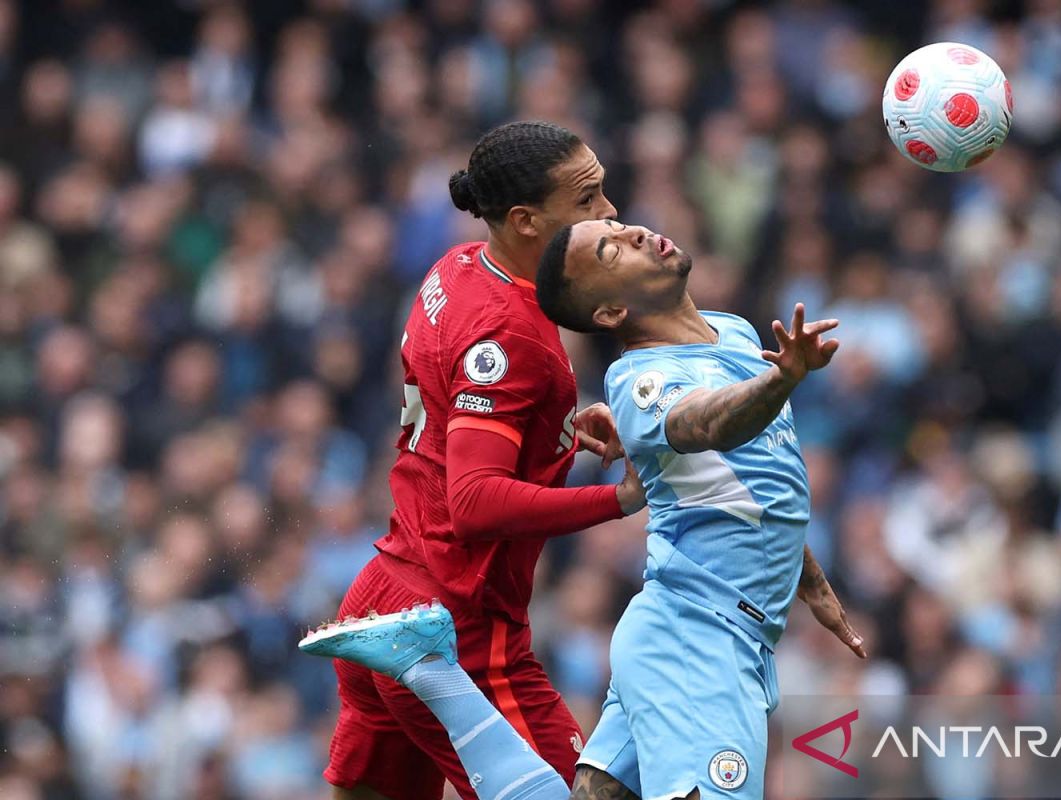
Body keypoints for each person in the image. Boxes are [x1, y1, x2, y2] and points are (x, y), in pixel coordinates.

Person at [303, 213, 864, 800]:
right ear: (610, 314)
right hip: (696, 644)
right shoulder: (641, 379)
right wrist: (783, 381)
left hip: (703, 631)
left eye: (622, 230)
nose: (636, 234)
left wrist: (806, 572)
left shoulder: (738, 334)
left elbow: (755, 477)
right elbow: (709, 423)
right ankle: (434, 674)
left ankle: (429, 670)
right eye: (612, 252)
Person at [315, 121, 649, 800]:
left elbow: (456, 410)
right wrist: (617, 499)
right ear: (526, 220)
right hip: (457, 630)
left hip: (384, 595)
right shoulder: (510, 331)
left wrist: (556, 427)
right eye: (586, 199)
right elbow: (474, 501)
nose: (609, 212)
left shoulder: (459, 266)